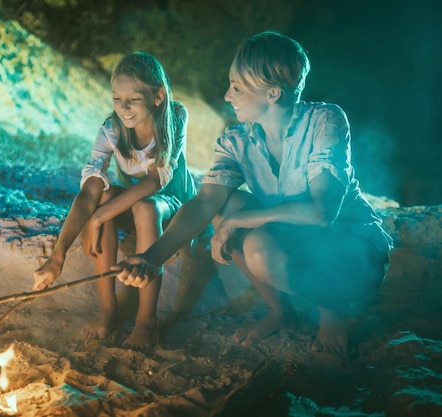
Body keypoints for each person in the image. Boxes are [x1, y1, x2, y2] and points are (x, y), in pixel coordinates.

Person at [114, 31, 393, 354]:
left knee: (249, 235)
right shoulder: (237, 140)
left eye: (237, 87)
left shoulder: (324, 120)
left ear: (272, 93)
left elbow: (321, 212)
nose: (227, 95)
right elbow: (205, 202)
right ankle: (281, 312)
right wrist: (151, 258)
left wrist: (240, 220)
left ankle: (333, 313)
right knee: (224, 206)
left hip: (352, 253)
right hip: (298, 240)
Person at [32, 52, 196, 347]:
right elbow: (90, 190)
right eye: (116, 99)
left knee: (142, 208)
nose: (124, 108)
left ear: (158, 96)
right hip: (134, 208)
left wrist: (97, 218)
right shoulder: (111, 129)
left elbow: (154, 182)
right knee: (105, 194)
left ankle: (147, 321)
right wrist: (57, 257)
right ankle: (108, 309)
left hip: (174, 209)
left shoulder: (175, 117)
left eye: (133, 98)